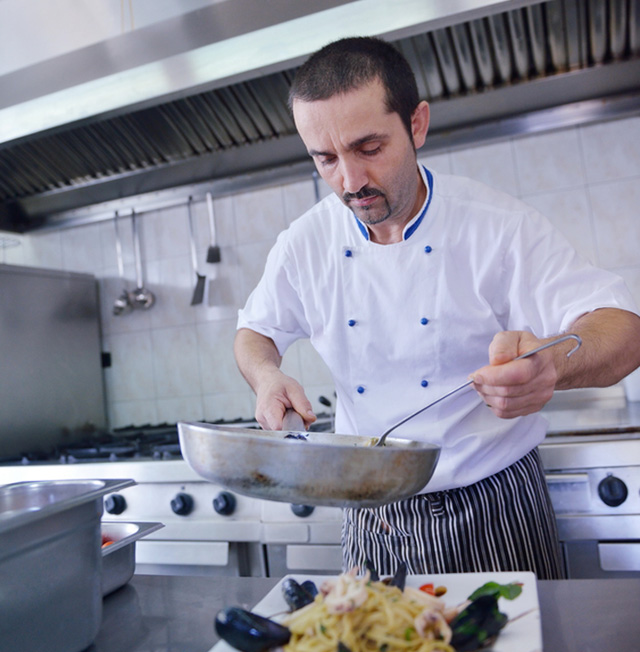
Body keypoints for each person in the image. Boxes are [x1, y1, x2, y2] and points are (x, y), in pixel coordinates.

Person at [234, 36, 640, 579]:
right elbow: (254, 331)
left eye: (369, 148)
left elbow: (622, 330)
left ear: (417, 125)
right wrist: (265, 375)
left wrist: (553, 364)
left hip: (495, 510)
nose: (350, 182)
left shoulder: (495, 226)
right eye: (326, 159)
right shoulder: (304, 244)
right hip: (372, 514)